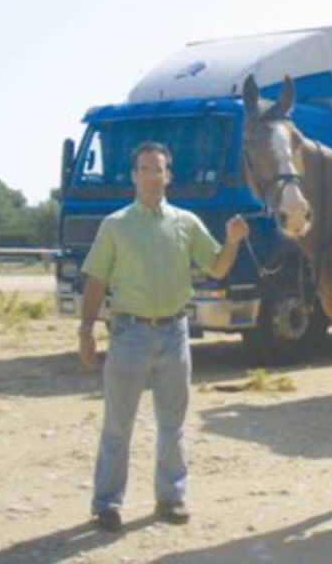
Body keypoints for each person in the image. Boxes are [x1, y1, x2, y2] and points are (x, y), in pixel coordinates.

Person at [78, 141, 249, 533]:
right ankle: (106, 504)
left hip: (175, 334)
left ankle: (170, 498)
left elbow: (218, 267)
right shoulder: (116, 225)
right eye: (145, 169)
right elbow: (96, 280)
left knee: (172, 422)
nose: (153, 177)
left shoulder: (186, 223)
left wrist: (234, 241)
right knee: (118, 424)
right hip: (128, 335)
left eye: (159, 169)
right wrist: (86, 331)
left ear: (169, 175)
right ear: (134, 176)